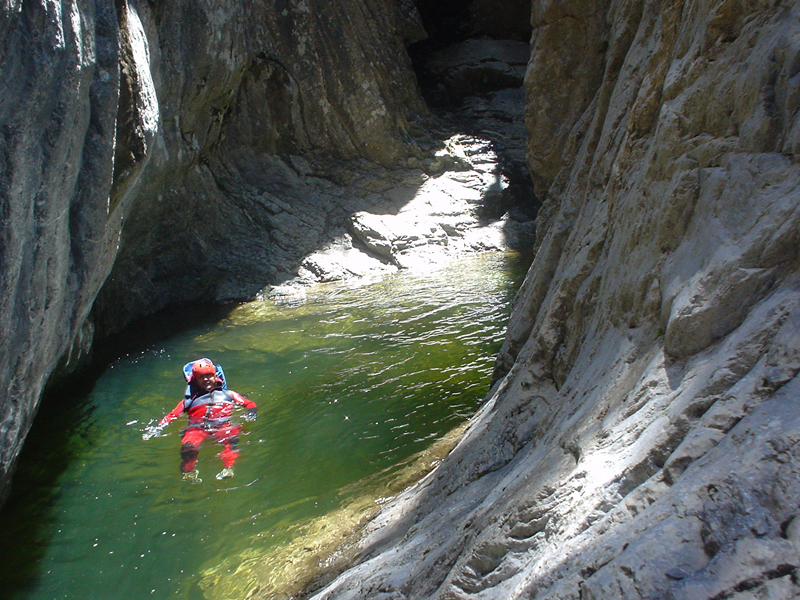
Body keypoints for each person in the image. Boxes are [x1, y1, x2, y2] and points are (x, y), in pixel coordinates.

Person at [142, 358, 257, 483]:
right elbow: (171, 415)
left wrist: (251, 413)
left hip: (222, 425)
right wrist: (157, 428)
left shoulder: (228, 394)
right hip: (197, 428)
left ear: (215, 376)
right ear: (195, 380)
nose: (206, 379)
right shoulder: (188, 401)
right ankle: (188, 472)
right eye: (201, 377)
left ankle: (228, 468)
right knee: (188, 446)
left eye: (209, 375)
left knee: (231, 438)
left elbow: (249, 404)